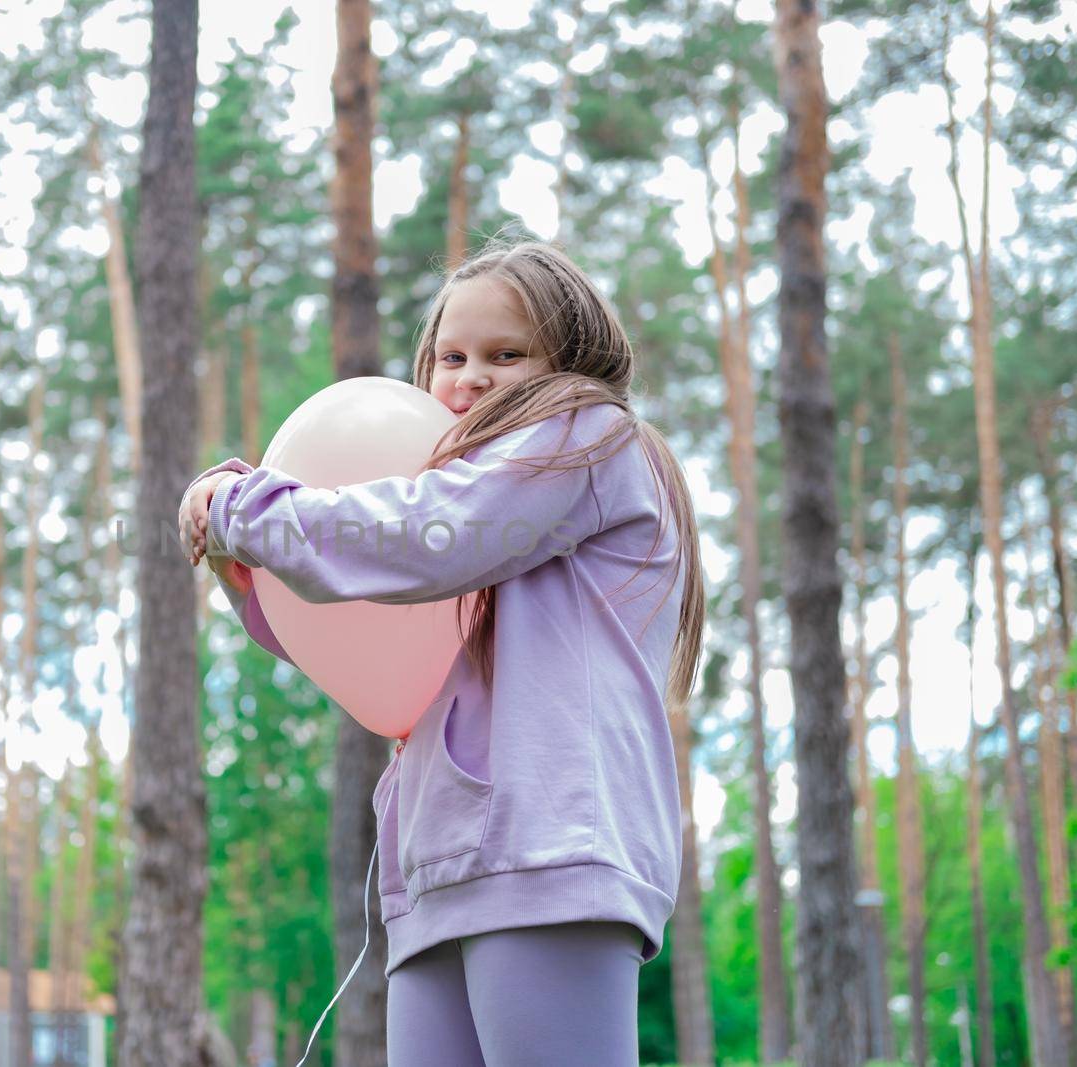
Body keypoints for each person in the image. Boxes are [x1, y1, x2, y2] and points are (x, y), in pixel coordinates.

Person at [178, 237, 703, 1066]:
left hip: (546, 849)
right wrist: (237, 558)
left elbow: (430, 535)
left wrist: (254, 511)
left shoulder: (586, 437)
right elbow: (354, 627)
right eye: (450, 355)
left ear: (570, 359)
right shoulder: (471, 489)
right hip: (439, 866)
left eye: (506, 353)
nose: (470, 377)